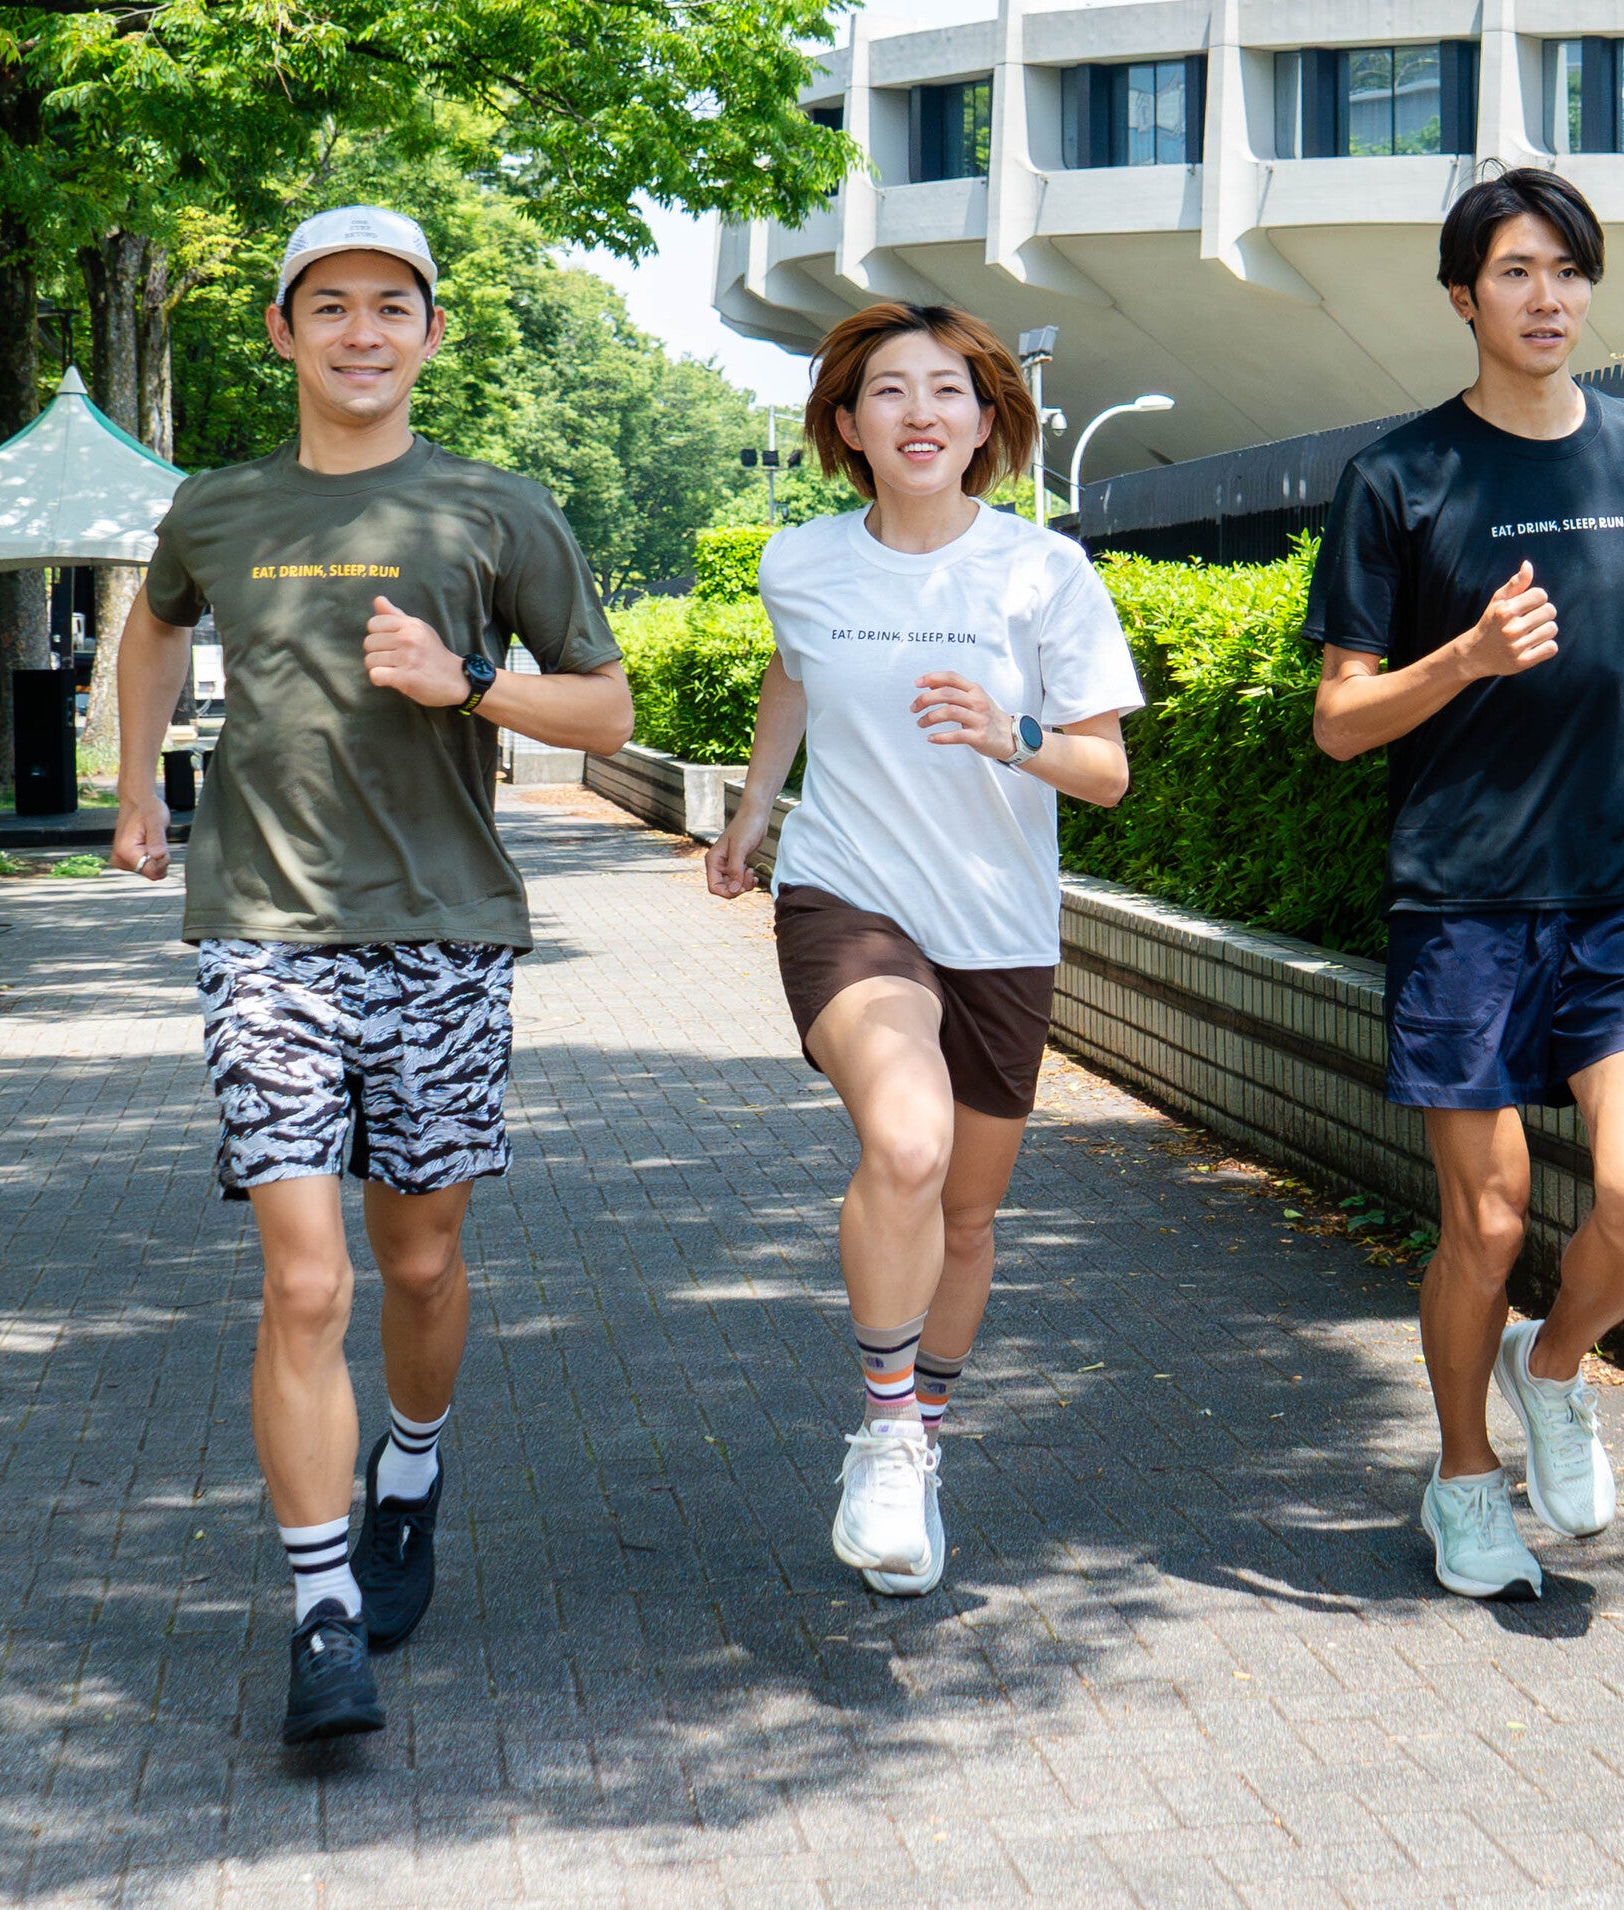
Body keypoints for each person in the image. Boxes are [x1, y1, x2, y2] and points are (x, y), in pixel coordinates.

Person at [111, 205, 633, 1740]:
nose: (358, 330)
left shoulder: (498, 508)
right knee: (304, 1272)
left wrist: (467, 682)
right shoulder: (216, 507)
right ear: (281, 331)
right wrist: (138, 780)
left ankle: (410, 1465)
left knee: (415, 1261)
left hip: (446, 927)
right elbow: (152, 630)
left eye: (389, 306)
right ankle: (321, 1602)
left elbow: (603, 712)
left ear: (430, 332)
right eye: (325, 304)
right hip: (261, 930)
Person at [706, 302, 1142, 1596]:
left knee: (964, 1215)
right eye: (887, 391)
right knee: (904, 1139)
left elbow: (1105, 770)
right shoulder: (802, 560)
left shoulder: (1042, 572)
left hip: (997, 924)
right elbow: (795, 673)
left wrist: (1012, 735)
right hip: (847, 895)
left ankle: (921, 1450)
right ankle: (885, 1428)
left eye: (945, 390)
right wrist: (751, 812)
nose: (918, 412)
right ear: (846, 425)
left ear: (986, 420)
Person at [1306, 170, 1624, 1601]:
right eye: (1516, 273)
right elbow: (1339, 721)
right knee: (1484, 1221)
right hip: (1460, 899)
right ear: (1462, 295)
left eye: (1567, 273)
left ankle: (1555, 1363)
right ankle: (1461, 1475)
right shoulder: (1399, 478)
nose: (1547, 299)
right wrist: (1462, 659)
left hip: (1617, 888)